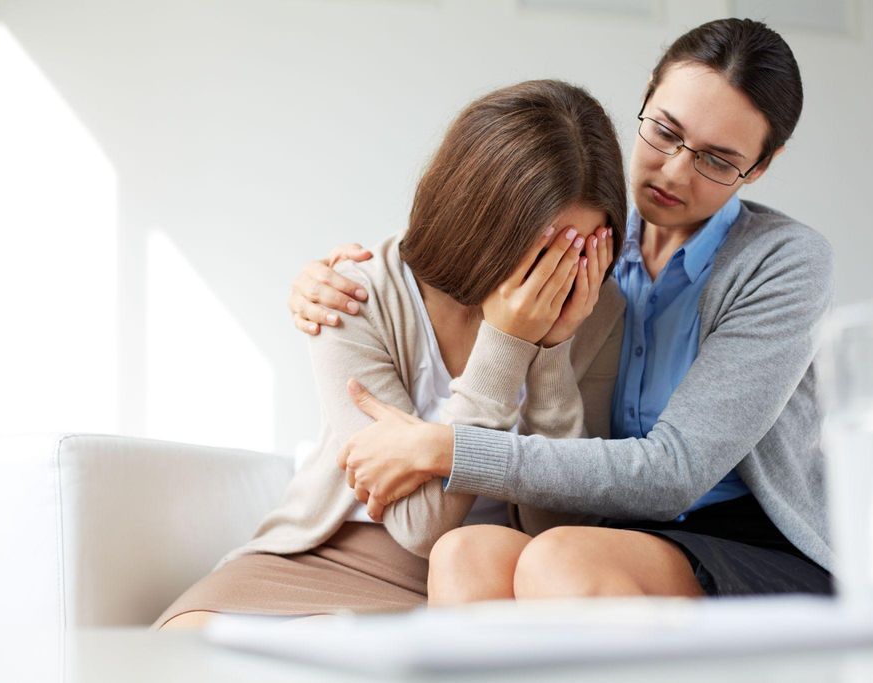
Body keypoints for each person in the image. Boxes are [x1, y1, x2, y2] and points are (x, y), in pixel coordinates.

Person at [291, 18, 835, 602]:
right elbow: (455, 244)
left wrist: (446, 448)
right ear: (647, 95)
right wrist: (329, 281)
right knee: (464, 552)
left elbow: (675, 472)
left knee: (560, 559)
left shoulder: (781, 261)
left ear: (761, 165)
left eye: (718, 161)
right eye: (664, 131)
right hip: (610, 531)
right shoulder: (580, 245)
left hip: (745, 538)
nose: (675, 171)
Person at [154, 79, 629, 629]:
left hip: (481, 570)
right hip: (324, 551)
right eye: (549, 250)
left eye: (586, 249)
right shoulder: (354, 294)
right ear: (480, 220)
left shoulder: (599, 311)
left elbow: (559, 525)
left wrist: (545, 352)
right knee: (177, 650)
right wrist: (505, 349)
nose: (563, 275)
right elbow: (416, 522)